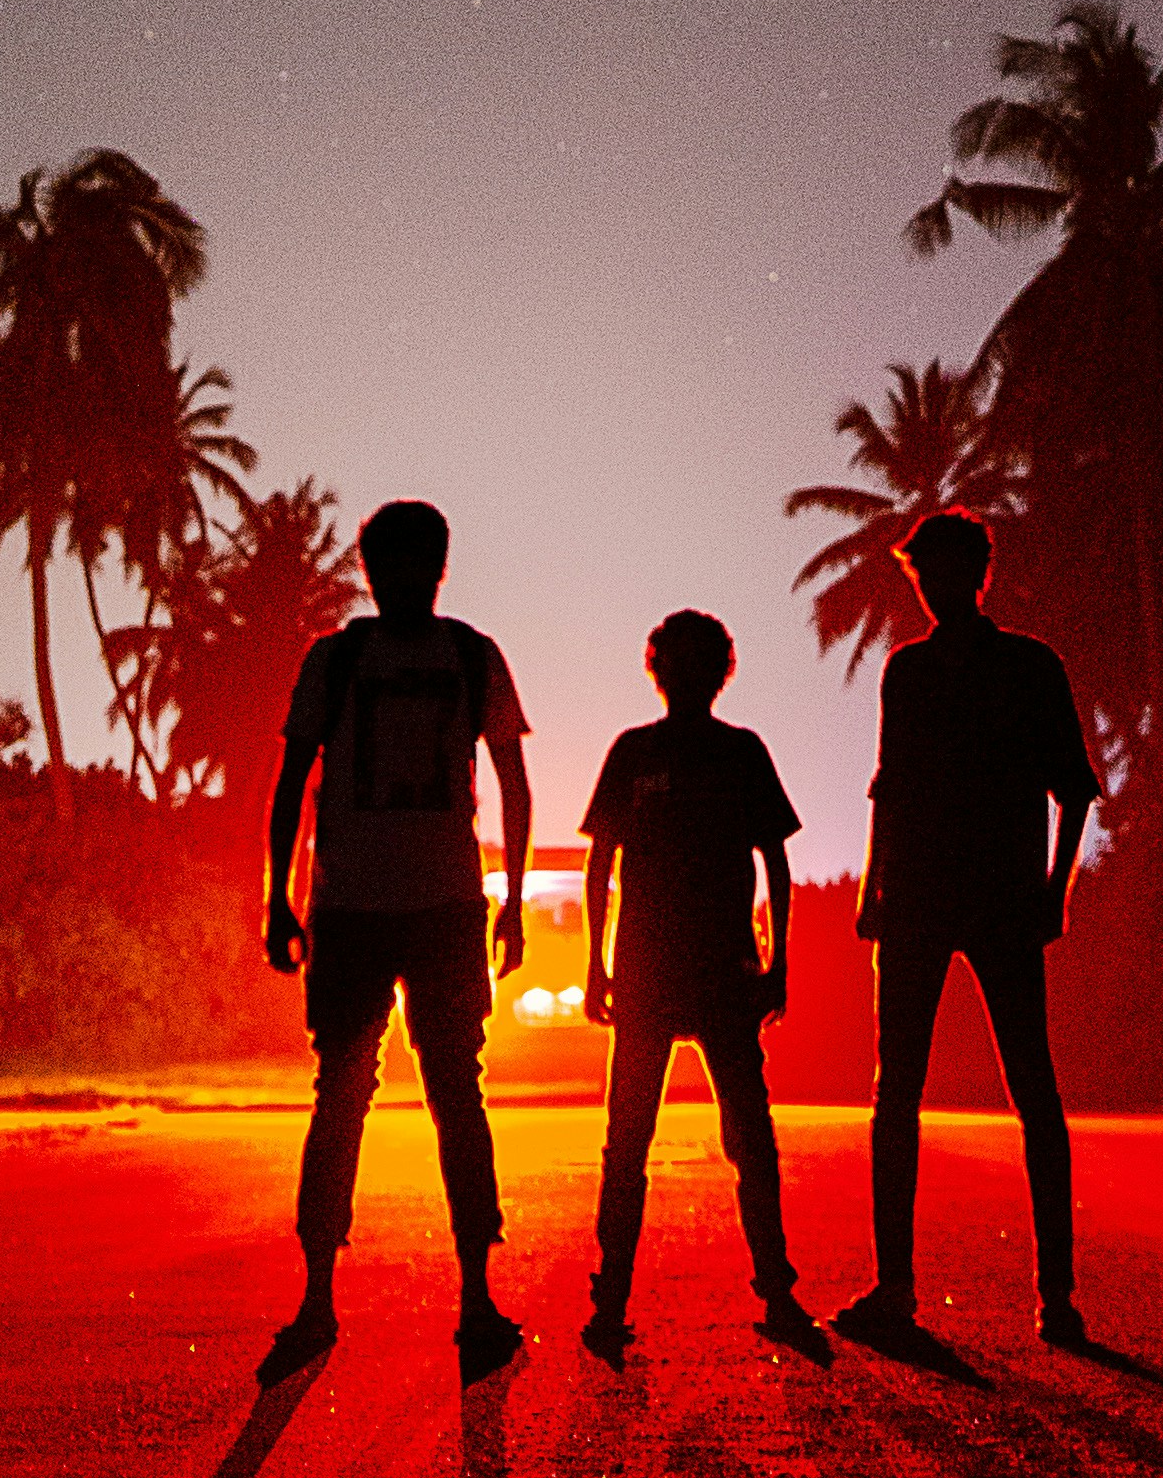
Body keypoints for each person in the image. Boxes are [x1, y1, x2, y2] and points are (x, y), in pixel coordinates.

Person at [259, 495, 532, 1381]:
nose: (401, 578)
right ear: (374, 570)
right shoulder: (338, 660)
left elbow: (514, 782)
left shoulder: (470, 655)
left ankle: (475, 1294)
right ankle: (317, 1294)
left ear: (436, 566)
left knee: (450, 1090)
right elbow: (293, 782)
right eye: (390, 564)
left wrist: (514, 896)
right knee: (346, 1089)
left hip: (442, 905)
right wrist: (277, 899)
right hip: (357, 908)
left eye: (414, 563)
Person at [833, 508, 1099, 1355]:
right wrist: (874, 888)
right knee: (895, 1094)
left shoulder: (1028, 666)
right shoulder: (904, 672)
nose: (934, 588)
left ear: (976, 574)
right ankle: (895, 1286)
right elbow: (890, 786)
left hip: (998, 897)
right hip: (916, 897)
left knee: (1032, 1091)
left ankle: (1055, 1296)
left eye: (947, 573)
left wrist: (1054, 892)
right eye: (923, 575)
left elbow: (1075, 788)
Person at [577, 609, 827, 1365]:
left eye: (699, 663)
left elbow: (774, 862)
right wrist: (595, 961)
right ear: (660, 670)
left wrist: (778, 958)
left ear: (717, 672)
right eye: (675, 662)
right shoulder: (633, 751)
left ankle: (774, 1286)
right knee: (631, 1139)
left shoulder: (740, 752)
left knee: (745, 1134)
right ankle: (613, 1294)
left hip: (721, 966)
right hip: (651, 967)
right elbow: (600, 864)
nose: (685, 676)